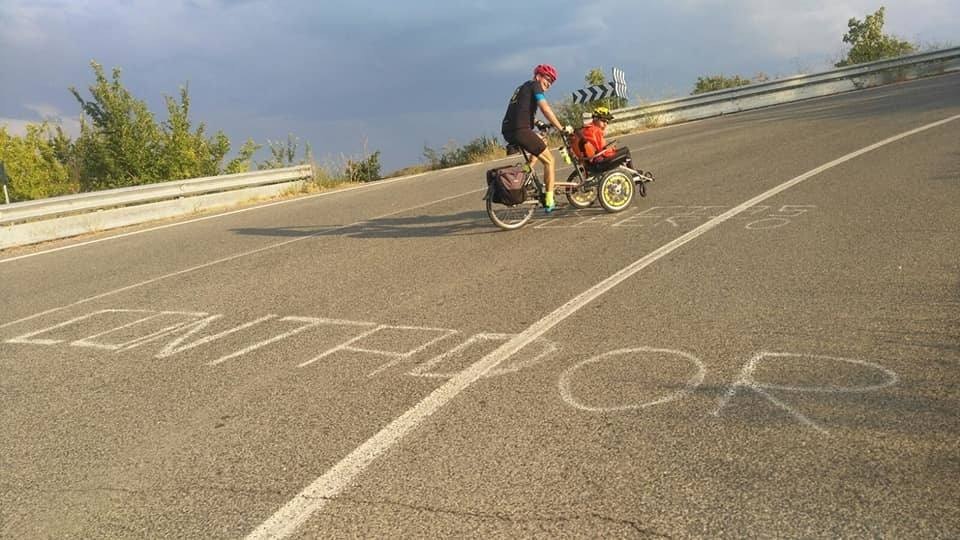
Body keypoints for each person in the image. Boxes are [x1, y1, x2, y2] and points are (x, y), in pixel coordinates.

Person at [501, 64, 573, 213]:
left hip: (510, 129)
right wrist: (561, 128)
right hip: (520, 131)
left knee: (542, 141)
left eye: (552, 81)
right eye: (547, 79)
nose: (549, 83)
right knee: (550, 161)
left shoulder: (522, 88)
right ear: (538, 76)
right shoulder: (535, 86)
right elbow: (545, 108)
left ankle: (527, 171)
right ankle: (549, 199)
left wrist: (539, 124)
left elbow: (522, 111)